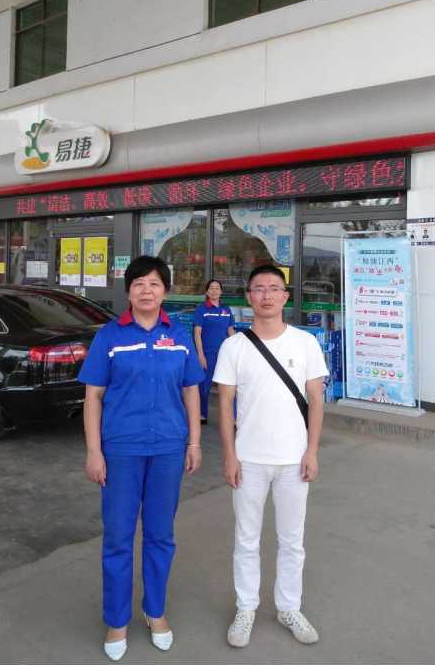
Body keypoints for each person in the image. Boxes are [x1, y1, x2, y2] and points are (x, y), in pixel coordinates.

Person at [79, 255, 205, 662]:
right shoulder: (109, 336)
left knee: (160, 535)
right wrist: (94, 451)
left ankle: (155, 612)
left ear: (165, 291)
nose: (146, 290)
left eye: (154, 283)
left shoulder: (179, 334)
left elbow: (190, 390)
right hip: (121, 450)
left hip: (168, 448)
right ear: (128, 292)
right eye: (138, 284)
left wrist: (195, 442)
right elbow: (93, 397)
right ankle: (117, 620)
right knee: (118, 536)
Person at [213, 265, 328, 648]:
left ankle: (289, 607)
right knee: (246, 539)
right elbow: (225, 405)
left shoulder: (305, 343)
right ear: (248, 297)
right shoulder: (234, 347)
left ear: (285, 296)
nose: (267, 295)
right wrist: (229, 455)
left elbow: (316, 400)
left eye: (274, 289)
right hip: (249, 460)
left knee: (292, 540)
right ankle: (246, 608)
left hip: (295, 460)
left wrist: (312, 450)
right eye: (259, 289)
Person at [193, 279, 236, 423]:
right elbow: (197, 333)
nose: (214, 291)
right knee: (204, 386)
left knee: (229, 385)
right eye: (211, 288)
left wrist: (236, 350)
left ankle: (233, 417)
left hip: (225, 353)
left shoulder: (226, 309)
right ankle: (202, 414)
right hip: (208, 353)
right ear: (206, 291)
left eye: (217, 288)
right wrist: (200, 355)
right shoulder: (201, 310)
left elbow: (230, 330)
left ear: (221, 291)